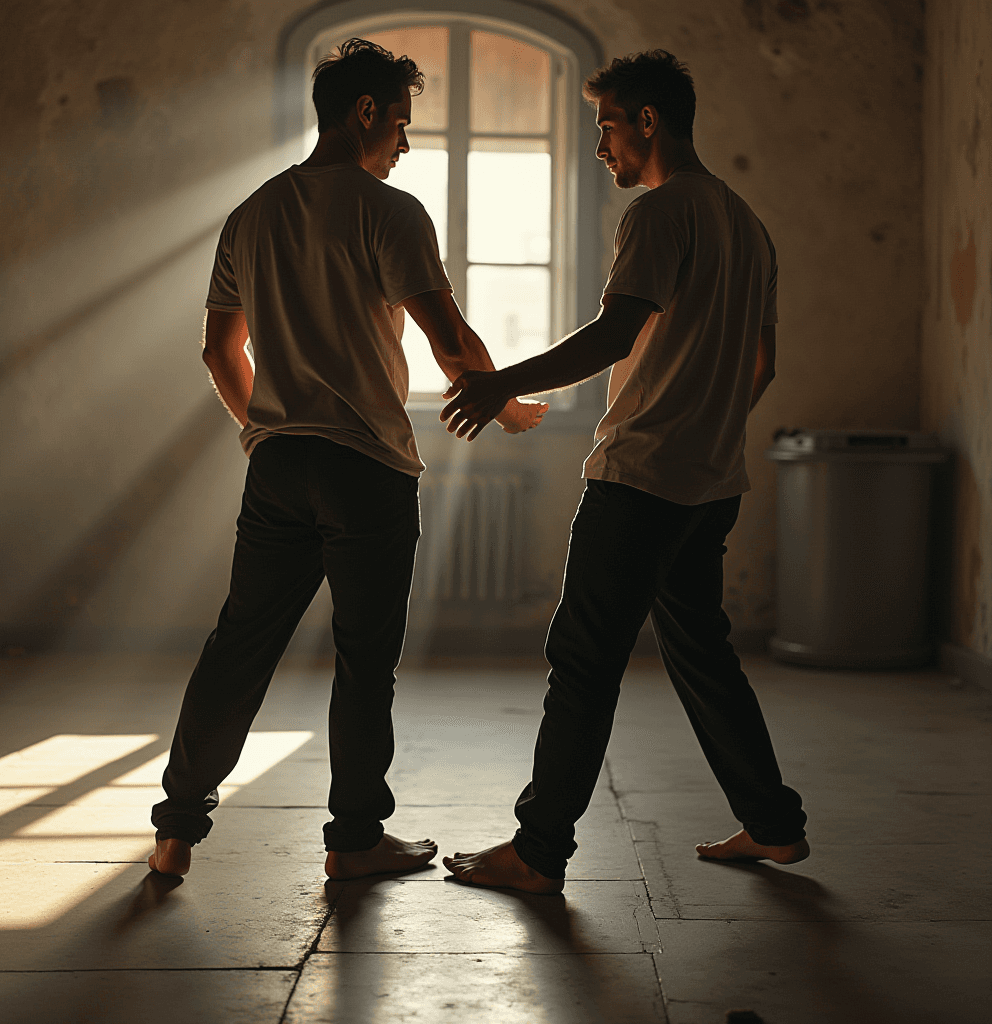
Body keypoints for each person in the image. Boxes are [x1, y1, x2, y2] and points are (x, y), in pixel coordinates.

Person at [148, 38, 547, 879]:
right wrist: (507, 406)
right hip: (365, 467)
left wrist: (264, 429)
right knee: (366, 660)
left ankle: (176, 831)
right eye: (400, 124)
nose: (403, 144)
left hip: (278, 465)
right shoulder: (387, 210)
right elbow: (450, 339)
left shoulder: (251, 213)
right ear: (365, 112)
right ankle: (355, 842)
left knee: (239, 645)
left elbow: (221, 353)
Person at [441, 50, 808, 894]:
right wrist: (710, 428)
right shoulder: (745, 223)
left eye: (607, 127)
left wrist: (500, 382)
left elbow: (613, 335)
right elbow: (763, 364)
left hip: (639, 478)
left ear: (647, 121)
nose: (601, 147)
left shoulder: (659, 213)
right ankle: (775, 827)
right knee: (705, 657)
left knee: (583, 659)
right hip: (709, 485)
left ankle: (537, 853)